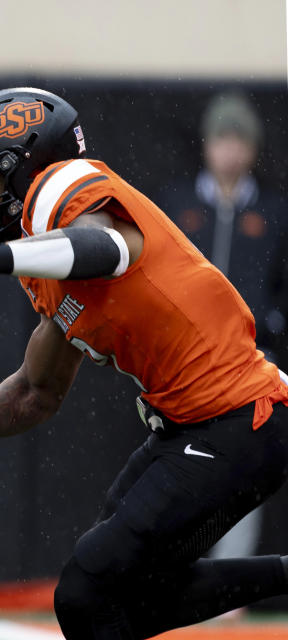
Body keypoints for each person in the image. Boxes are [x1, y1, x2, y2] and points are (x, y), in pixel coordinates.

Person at [0, 87, 288, 639]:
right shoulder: (42, 262)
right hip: (193, 426)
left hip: (240, 417)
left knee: (90, 584)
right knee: (103, 597)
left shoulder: (60, 184)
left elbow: (106, 250)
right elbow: (35, 392)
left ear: (21, 170)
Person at [157, 90, 287, 578]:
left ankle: (229, 584)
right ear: (207, 145)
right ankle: (173, 575)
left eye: (239, 141)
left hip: (249, 368)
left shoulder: (274, 213)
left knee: (243, 471)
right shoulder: (177, 204)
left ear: (252, 149)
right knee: (181, 469)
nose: (230, 151)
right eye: (221, 140)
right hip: (184, 365)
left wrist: (270, 323)